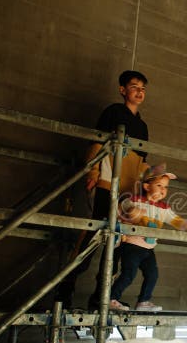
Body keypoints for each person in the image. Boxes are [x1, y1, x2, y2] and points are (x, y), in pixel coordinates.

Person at [54, 70, 150, 309]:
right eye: (135, 87)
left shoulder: (143, 126)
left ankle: (101, 296)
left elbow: (143, 162)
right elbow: (97, 143)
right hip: (108, 181)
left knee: (117, 241)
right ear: (122, 90)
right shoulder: (113, 112)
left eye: (143, 89)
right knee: (95, 232)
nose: (139, 92)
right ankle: (64, 290)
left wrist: (140, 194)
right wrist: (93, 171)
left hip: (128, 190)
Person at [108, 163, 187, 312]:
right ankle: (112, 298)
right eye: (159, 185)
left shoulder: (164, 208)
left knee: (153, 275)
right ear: (146, 186)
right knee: (128, 274)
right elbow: (122, 209)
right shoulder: (135, 200)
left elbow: (176, 220)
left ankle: (143, 302)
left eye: (165, 187)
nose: (163, 190)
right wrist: (131, 212)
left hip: (149, 248)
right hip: (132, 245)